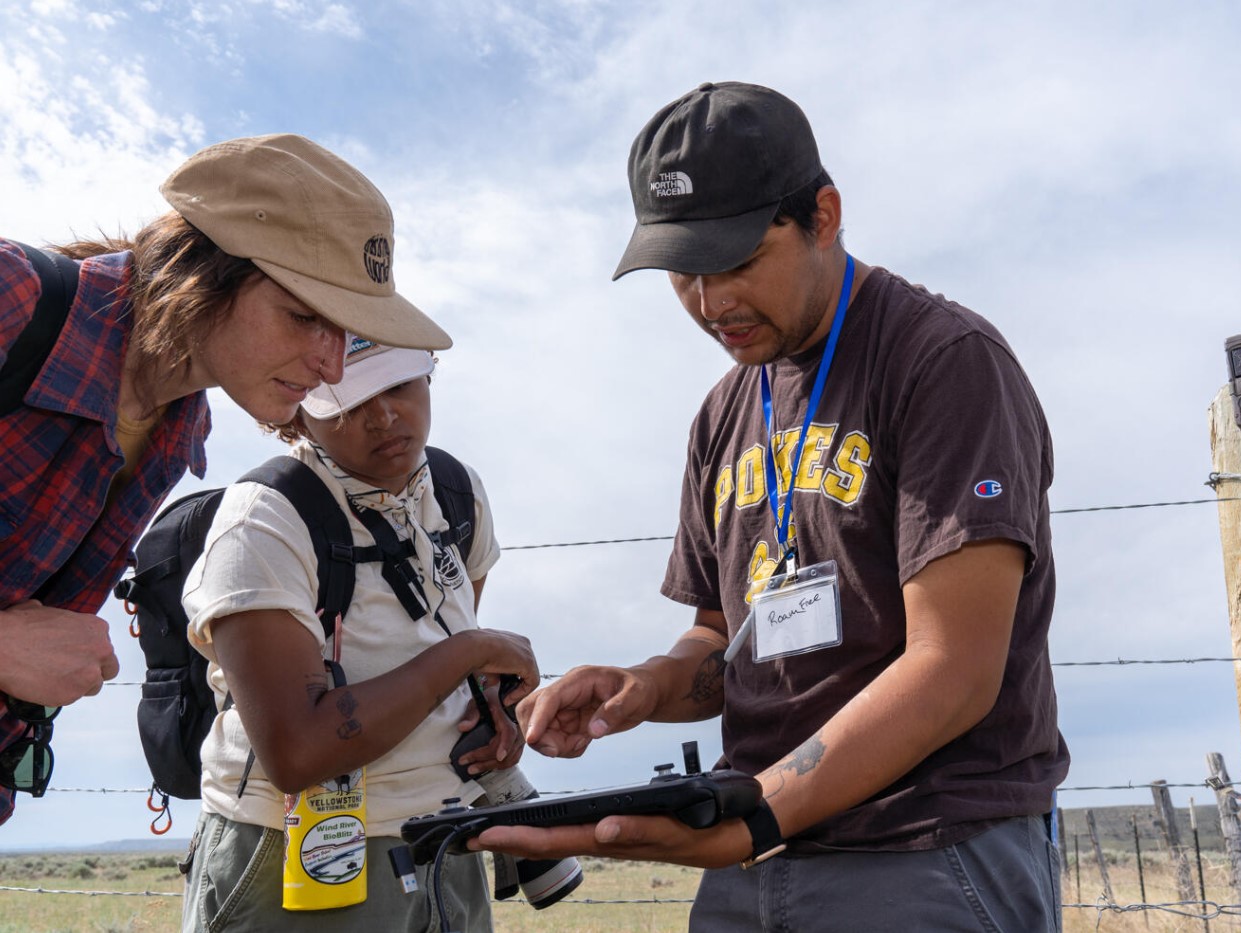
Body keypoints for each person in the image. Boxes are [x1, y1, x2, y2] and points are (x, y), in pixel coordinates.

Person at [475, 82, 1070, 930]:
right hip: (758, 852)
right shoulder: (722, 414)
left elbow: (955, 672)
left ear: (822, 215)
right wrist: (646, 684)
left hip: (926, 850)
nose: (710, 303)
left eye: (738, 262)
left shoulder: (943, 362)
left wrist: (756, 814)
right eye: (683, 272)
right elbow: (724, 639)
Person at [0, 133, 450, 827]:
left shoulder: (182, 429)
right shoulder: (13, 301)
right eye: (305, 317)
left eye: (347, 332)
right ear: (201, 270)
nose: (331, 367)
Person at [179, 338, 550, 932]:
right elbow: (296, 754)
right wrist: (469, 652)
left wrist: (493, 715)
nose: (382, 417)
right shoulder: (264, 522)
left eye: (399, 386)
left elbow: (444, 655)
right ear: (296, 410)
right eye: (347, 404)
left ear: (430, 375)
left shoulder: (454, 491)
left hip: (444, 840)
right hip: (295, 855)